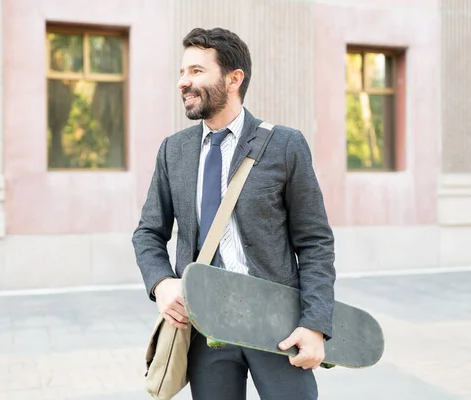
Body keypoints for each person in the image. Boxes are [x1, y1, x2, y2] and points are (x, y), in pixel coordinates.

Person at [132, 27, 336, 400]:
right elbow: (147, 233)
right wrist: (161, 284)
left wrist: (315, 324)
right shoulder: (172, 151)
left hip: (278, 326)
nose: (183, 82)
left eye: (196, 71)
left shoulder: (285, 145)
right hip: (207, 326)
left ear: (233, 79)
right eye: (181, 72)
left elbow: (315, 241)